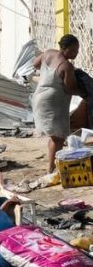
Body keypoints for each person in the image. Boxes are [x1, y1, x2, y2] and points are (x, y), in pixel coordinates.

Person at [34, 34, 81, 173]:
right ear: (64, 49)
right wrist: (85, 92)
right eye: (73, 51)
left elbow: (35, 64)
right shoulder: (66, 66)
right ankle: (51, 169)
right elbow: (69, 88)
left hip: (39, 98)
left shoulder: (48, 53)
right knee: (58, 138)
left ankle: (52, 166)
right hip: (53, 102)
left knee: (55, 136)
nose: (76, 53)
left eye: (77, 50)